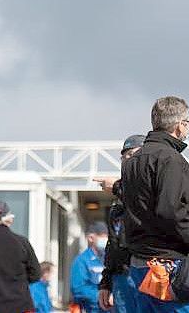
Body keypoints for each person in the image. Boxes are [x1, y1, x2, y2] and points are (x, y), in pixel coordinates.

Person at [121, 96, 189, 312]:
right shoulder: (171, 159)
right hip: (168, 265)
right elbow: (171, 211)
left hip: (140, 263)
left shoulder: (131, 163)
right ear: (180, 125)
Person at [97, 134, 144, 313]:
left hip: (147, 273)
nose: (127, 160)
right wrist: (106, 281)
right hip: (122, 279)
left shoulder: (156, 190)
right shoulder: (117, 206)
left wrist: (117, 187)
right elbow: (112, 246)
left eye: (132, 154)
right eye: (124, 156)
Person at [71, 222, 108, 313]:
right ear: (91, 238)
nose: (106, 239)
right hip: (91, 308)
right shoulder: (82, 260)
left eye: (107, 236)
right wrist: (102, 295)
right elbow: (78, 288)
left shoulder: (109, 259)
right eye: (102, 236)